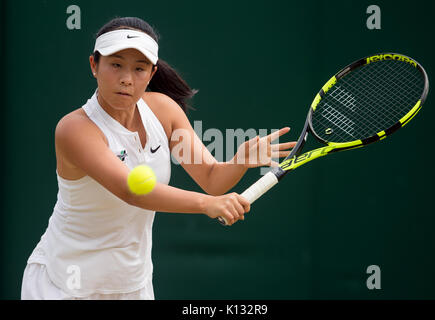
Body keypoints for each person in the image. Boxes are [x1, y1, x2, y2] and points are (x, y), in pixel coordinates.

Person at [21, 16, 296, 300]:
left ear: (151, 74)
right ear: (94, 65)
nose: (127, 79)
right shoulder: (74, 129)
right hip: (62, 285)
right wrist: (207, 204)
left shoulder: (163, 113)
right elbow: (132, 191)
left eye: (139, 69)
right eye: (116, 65)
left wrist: (239, 161)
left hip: (132, 285)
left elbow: (212, 179)